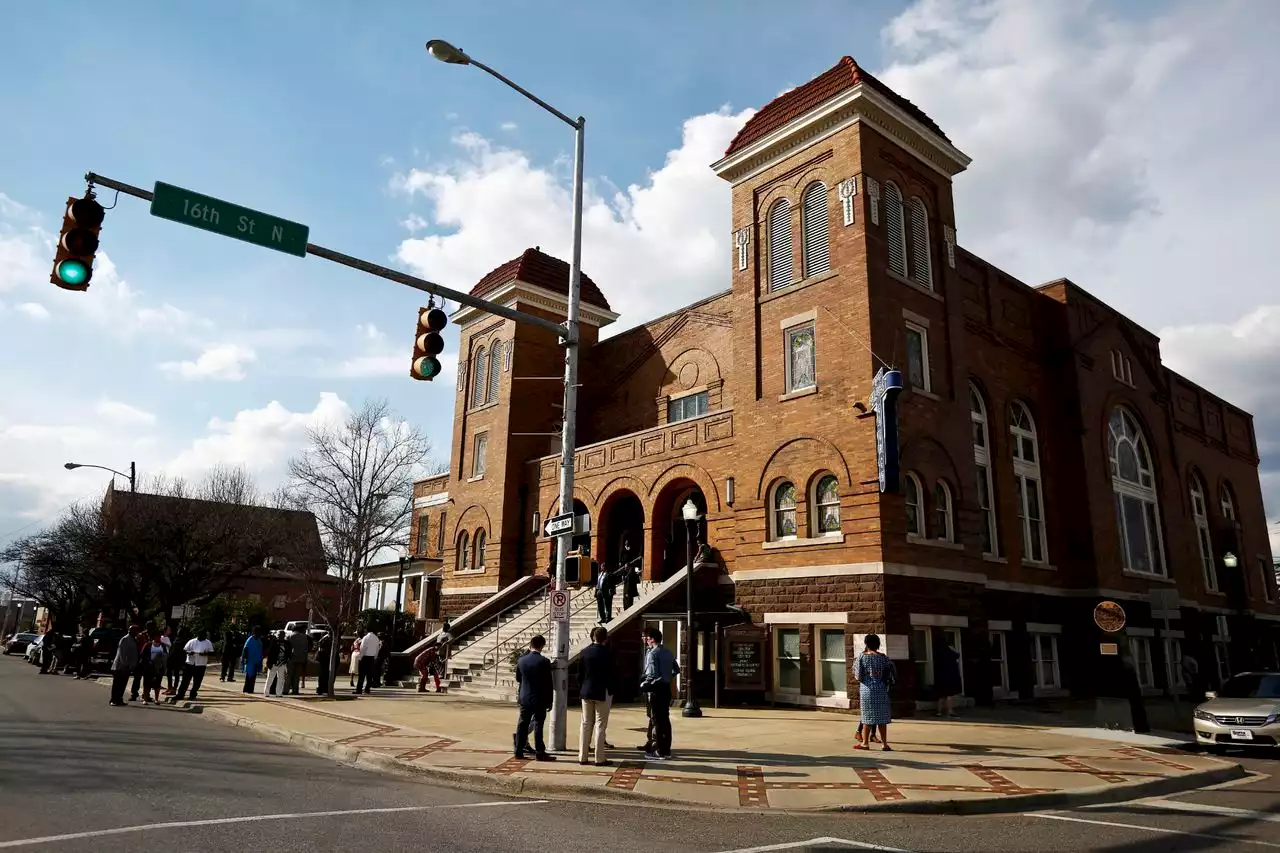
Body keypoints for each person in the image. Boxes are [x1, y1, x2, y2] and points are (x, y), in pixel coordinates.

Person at [640, 626, 679, 761]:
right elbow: (676, 670)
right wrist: (667, 676)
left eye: (646, 637)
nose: (644, 640)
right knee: (665, 719)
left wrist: (643, 684)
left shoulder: (653, 653)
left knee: (657, 720)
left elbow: (652, 675)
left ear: (651, 639)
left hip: (656, 690)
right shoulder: (668, 652)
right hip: (666, 688)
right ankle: (666, 749)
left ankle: (659, 751)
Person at [514, 635, 556, 761]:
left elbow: (518, 678)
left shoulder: (521, 660)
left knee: (522, 724)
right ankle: (540, 752)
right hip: (539, 698)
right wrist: (550, 701)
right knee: (538, 725)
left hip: (525, 697)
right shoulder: (544, 661)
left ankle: (518, 751)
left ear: (530, 644)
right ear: (542, 646)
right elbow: (549, 683)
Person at [578, 626, 616, 766]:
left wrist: (581, 687)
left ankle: (582, 756)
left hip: (587, 691)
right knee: (600, 724)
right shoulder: (608, 653)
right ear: (605, 638)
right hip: (603, 691)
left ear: (593, 637)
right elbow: (613, 673)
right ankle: (599, 758)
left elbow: (580, 675)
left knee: (586, 723)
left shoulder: (584, 652)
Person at [854, 633, 896, 752]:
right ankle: (884, 744)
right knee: (882, 719)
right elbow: (889, 673)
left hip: (867, 690)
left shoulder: (861, 657)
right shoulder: (883, 658)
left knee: (867, 717)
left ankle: (865, 743)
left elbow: (858, 676)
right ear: (878, 644)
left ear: (866, 644)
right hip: (881, 689)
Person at [173, 629, 214, 703]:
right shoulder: (192, 641)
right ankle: (180, 694)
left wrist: (205, 653)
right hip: (190, 663)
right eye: (201, 635)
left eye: (204, 635)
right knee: (185, 680)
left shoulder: (208, 643)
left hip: (201, 664)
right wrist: (189, 652)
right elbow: (184, 650)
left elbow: (212, 653)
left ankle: (192, 694)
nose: (203, 636)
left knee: (197, 681)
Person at [109, 626, 141, 707]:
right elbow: (122, 654)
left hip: (127, 667)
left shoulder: (133, 639)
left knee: (123, 684)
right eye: (135, 631)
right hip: (120, 667)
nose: (136, 632)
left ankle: (119, 699)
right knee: (117, 684)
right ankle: (113, 700)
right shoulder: (125, 639)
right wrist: (125, 664)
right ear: (130, 631)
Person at [934, 636, 962, 718]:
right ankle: (950, 711)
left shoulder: (938, 651)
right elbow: (957, 655)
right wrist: (952, 649)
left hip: (940, 676)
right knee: (950, 695)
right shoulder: (949, 651)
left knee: (941, 696)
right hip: (950, 676)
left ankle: (939, 712)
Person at [354, 627, 381, 695]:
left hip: (365, 657)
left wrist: (360, 657)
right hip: (372, 658)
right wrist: (375, 657)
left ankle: (359, 689)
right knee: (369, 675)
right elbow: (377, 649)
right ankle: (367, 689)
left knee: (361, 675)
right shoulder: (376, 638)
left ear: (367, 631)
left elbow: (363, 648)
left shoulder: (366, 638)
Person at [265, 631, 290, 696]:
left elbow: (288, 652)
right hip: (273, 663)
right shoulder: (273, 642)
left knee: (281, 679)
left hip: (282, 664)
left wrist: (286, 660)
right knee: (270, 678)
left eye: (282, 635)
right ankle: (266, 692)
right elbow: (269, 653)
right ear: (277, 635)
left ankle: (279, 693)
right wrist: (268, 663)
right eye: (279, 635)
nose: (280, 636)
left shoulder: (286, 643)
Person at [145, 633, 169, 704]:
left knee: (157, 685)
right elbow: (143, 655)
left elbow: (165, 656)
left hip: (159, 668)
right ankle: (145, 699)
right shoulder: (148, 645)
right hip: (149, 667)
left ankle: (156, 699)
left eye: (159, 637)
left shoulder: (163, 645)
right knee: (147, 684)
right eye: (156, 636)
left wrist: (164, 667)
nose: (158, 638)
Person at [241, 627, 266, 694]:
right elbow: (246, 649)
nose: (259, 633)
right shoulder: (250, 639)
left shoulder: (259, 640)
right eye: (258, 632)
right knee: (249, 675)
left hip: (256, 661)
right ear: (254, 632)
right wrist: (246, 658)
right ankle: (246, 689)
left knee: (253, 676)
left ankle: (251, 689)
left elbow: (260, 649)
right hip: (250, 660)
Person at [287, 628, 309, 695]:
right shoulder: (305, 637)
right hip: (300, 658)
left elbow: (288, 647)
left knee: (289, 675)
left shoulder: (291, 636)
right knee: (296, 675)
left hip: (291, 658)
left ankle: (285, 689)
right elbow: (306, 647)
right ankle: (295, 690)